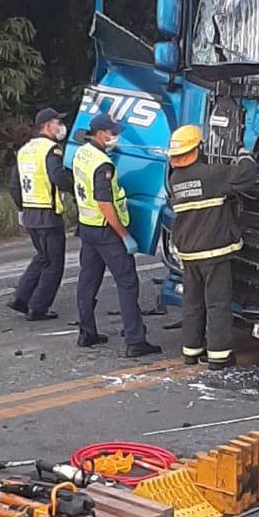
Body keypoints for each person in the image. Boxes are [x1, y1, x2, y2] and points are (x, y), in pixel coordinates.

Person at [168, 125, 258, 370]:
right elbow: (245, 175)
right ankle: (219, 356)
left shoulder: (175, 179)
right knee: (217, 304)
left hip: (188, 252)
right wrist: (244, 154)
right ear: (198, 148)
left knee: (192, 302)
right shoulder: (210, 175)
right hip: (213, 251)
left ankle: (191, 351)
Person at [72, 113, 161, 356]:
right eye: (112, 132)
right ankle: (135, 341)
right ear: (100, 133)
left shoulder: (82, 153)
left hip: (87, 226)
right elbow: (104, 203)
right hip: (106, 229)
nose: (115, 136)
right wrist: (123, 235)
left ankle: (86, 332)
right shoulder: (103, 164)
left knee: (88, 281)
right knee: (128, 282)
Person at [8, 107, 74, 321]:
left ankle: (21, 298)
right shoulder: (50, 149)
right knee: (54, 264)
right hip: (47, 214)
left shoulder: (25, 149)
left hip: (30, 214)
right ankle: (38, 308)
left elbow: (14, 185)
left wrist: (21, 208)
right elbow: (57, 176)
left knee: (42, 257)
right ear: (47, 125)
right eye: (58, 122)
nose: (61, 126)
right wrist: (76, 189)